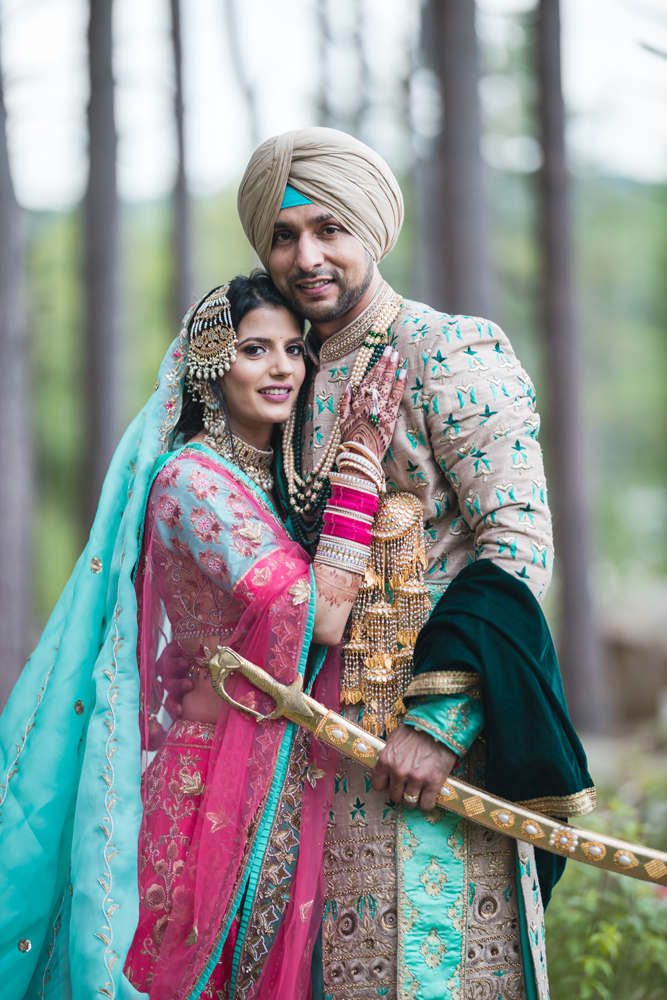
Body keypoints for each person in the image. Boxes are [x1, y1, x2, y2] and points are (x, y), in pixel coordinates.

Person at [237, 128, 596, 1000]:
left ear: (370, 227)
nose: (307, 256)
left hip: (426, 746)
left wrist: (438, 729)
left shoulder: (449, 350)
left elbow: (514, 544)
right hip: (303, 748)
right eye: (284, 237)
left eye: (329, 229)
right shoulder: (281, 372)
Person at [0, 270, 405, 1000]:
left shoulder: (266, 482)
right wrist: (360, 462)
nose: (283, 367)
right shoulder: (191, 480)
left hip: (276, 764)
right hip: (207, 787)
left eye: (292, 349)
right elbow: (321, 615)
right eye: (255, 350)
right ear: (211, 367)